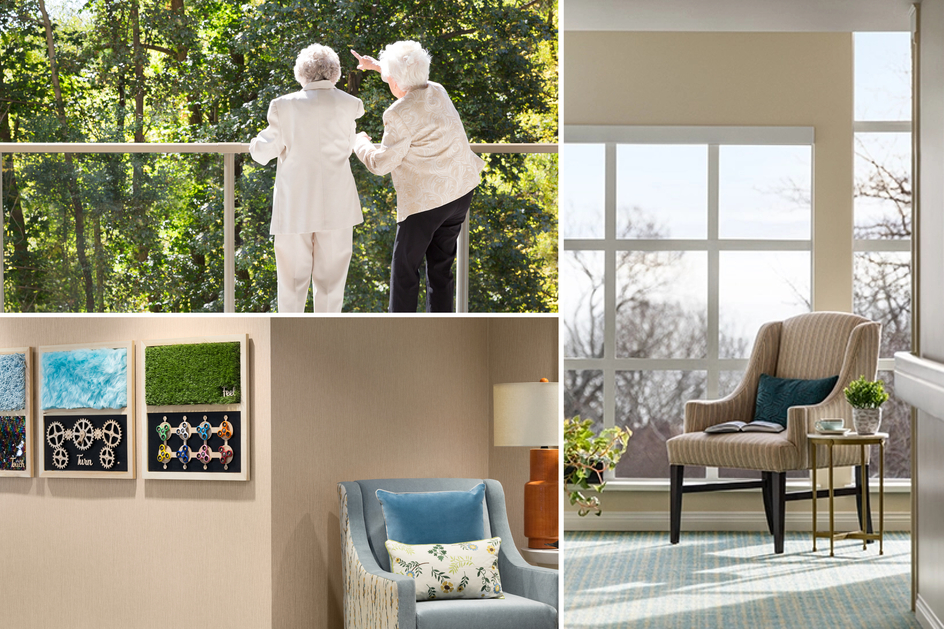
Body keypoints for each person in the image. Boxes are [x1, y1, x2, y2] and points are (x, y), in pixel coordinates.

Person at [351, 41, 484, 313]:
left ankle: (401, 337)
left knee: (405, 270)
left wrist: (359, 142)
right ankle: (441, 332)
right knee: (440, 267)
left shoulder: (397, 112)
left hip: (428, 202)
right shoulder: (437, 90)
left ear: (395, 81)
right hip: (460, 191)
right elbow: (410, 79)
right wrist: (377, 67)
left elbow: (381, 163)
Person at [250, 43, 365, 313]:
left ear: (301, 72)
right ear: (335, 72)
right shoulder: (350, 104)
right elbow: (349, 145)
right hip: (338, 204)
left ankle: (290, 346)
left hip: (295, 205)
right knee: (331, 285)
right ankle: (325, 345)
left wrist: (255, 142)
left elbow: (261, 153)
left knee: (291, 283)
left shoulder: (284, 106)